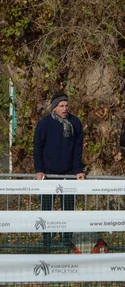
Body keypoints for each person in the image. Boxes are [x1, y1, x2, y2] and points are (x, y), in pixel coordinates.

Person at [33, 93, 87, 252]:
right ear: (54, 107)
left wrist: (78, 170)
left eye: (66, 106)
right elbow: (38, 148)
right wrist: (39, 170)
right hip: (48, 174)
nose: (65, 109)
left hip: (69, 173)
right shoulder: (44, 124)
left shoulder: (75, 122)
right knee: (46, 208)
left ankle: (66, 240)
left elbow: (78, 148)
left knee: (68, 208)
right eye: (61, 106)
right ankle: (47, 241)